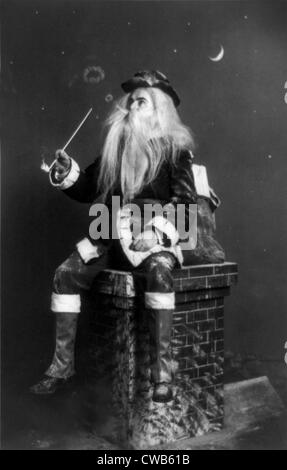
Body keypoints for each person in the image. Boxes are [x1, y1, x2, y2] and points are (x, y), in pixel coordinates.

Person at [30, 70, 225, 403]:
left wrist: (155, 236)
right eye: (131, 102)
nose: (133, 108)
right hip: (109, 230)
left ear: (159, 110)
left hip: (156, 235)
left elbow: (185, 206)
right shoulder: (115, 149)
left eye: (142, 102)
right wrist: (65, 174)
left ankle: (162, 376)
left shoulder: (176, 153)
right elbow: (87, 189)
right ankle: (61, 369)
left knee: (160, 274)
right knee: (65, 275)